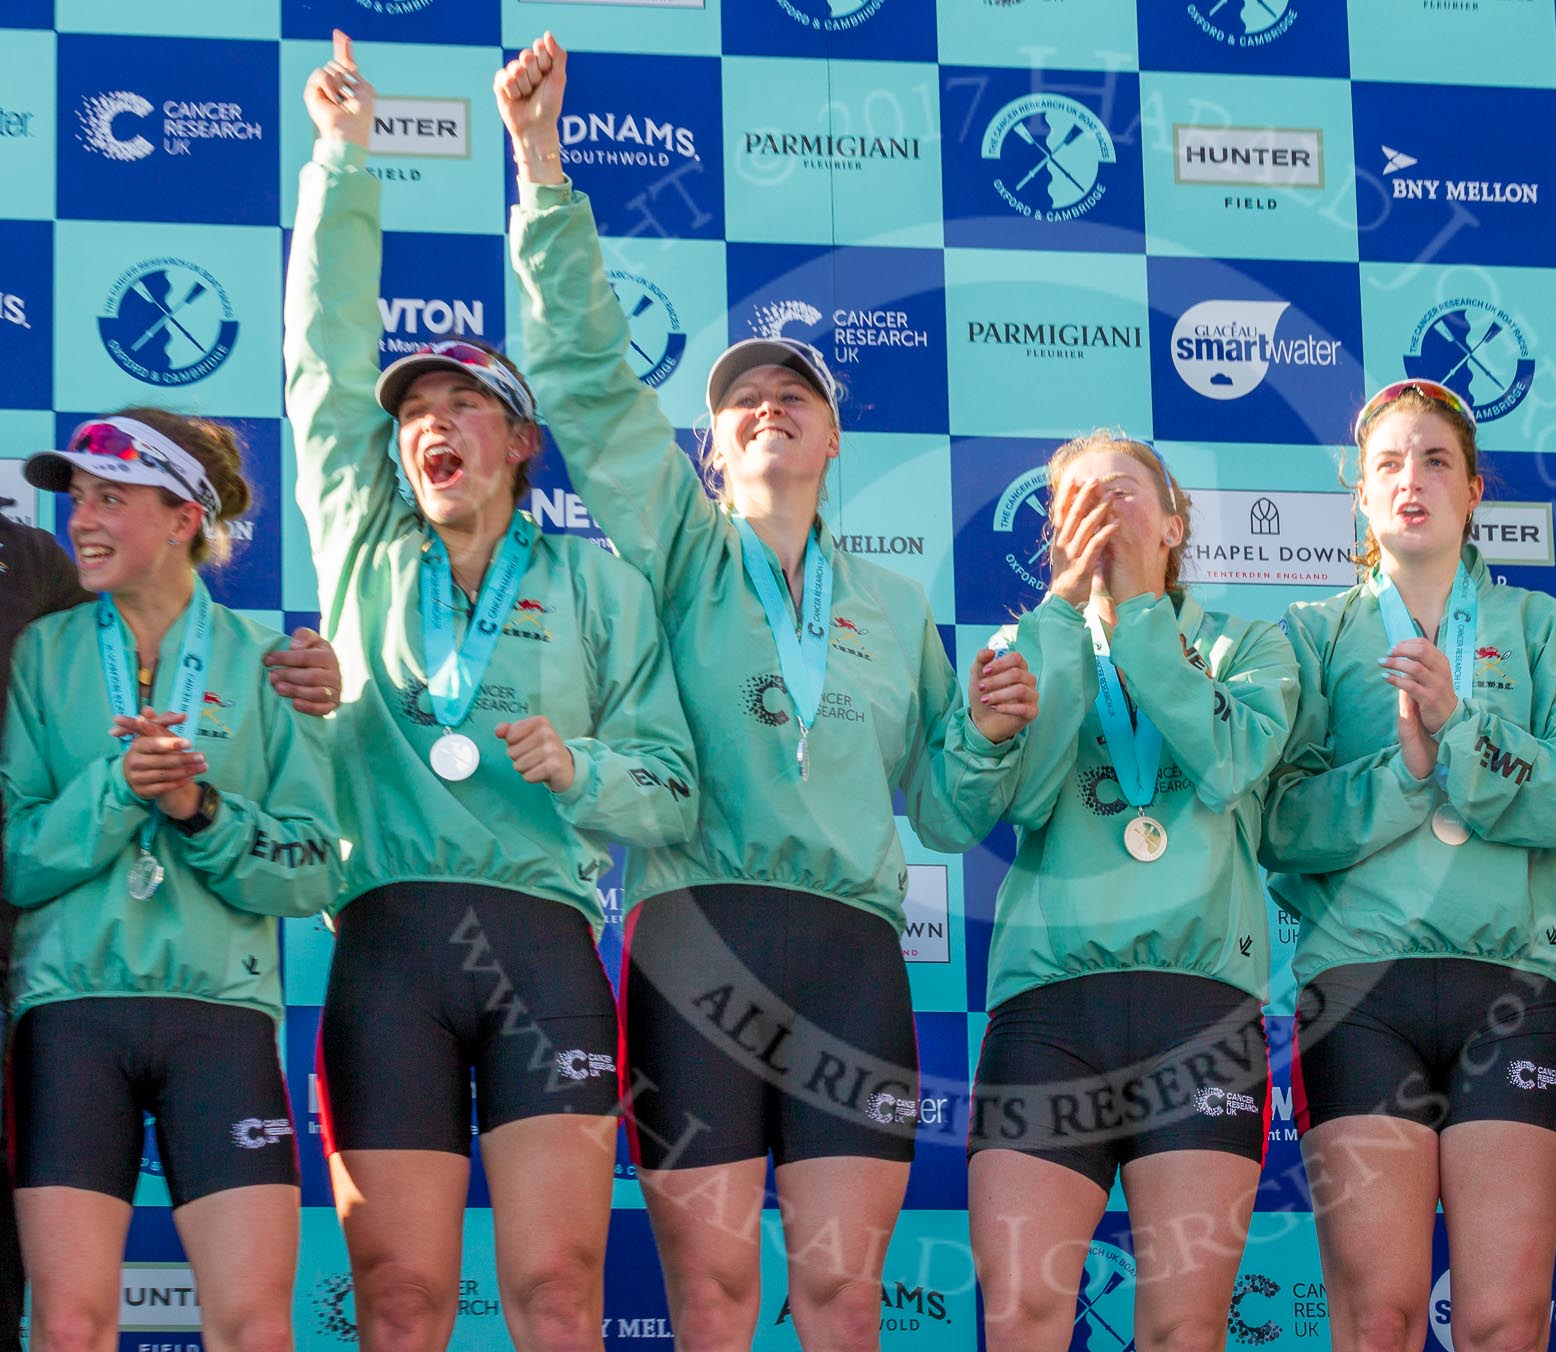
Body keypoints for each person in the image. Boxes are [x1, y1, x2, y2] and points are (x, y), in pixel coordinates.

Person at [498, 34, 1037, 1350]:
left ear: (836, 436)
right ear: (710, 445)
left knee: (845, 1297)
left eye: (796, 393)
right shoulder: (682, 551)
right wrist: (539, 165)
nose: (769, 406)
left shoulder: (895, 604)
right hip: (699, 935)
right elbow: (587, 381)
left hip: (854, 953)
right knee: (717, 1297)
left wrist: (986, 734)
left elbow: (948, 810)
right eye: (742, 399)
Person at [288, 33, 701, 1352]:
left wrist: (584, 768)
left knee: (559, 1295)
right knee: (402, 1303)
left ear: (522, 442)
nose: (433, 423)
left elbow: (673, 789)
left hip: (542, 946)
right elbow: (323, 361)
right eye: (417, 409)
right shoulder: (363, 542)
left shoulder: (599, 586)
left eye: (466, 405)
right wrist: (341, 161)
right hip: (388, 942)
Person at [1259, 379, 1556, 1352]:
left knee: (1504, 1321)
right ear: (1360, 493)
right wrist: (1406, 772)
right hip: (1360, 995)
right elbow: (1279, 823)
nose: (1411, 480)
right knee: (1377, 1318)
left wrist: (1462, 735)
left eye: (1435, 461)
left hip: (1512, 990)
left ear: (1473, 490)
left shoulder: (1544, 627)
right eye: (1389, 463)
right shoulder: (1313, 632)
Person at [2, 411, 341, 1352]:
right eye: (78, 499)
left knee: (255, 1327)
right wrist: (118, 789)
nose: (81, 520)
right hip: (69, 1015)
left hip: (221, 1020)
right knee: (68, 1327)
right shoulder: (43, 654)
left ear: (184, 516)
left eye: (110, 498)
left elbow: (313, 871)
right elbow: (15, 859)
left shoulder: (273, 664)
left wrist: (200, 810)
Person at [961, 432, 1298, 1351]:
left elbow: (1229, 763)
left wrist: (1142, 613)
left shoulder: (1249, 643)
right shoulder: (1025, 643)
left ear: (1175, 524)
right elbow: (995, 805)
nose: (1099, 508)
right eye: (1076, 497)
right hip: (1049, 1011)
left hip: (1201, 1012)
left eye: (1121, 490)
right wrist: (1060, 626)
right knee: (1022, 1315)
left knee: (1184, 1329)